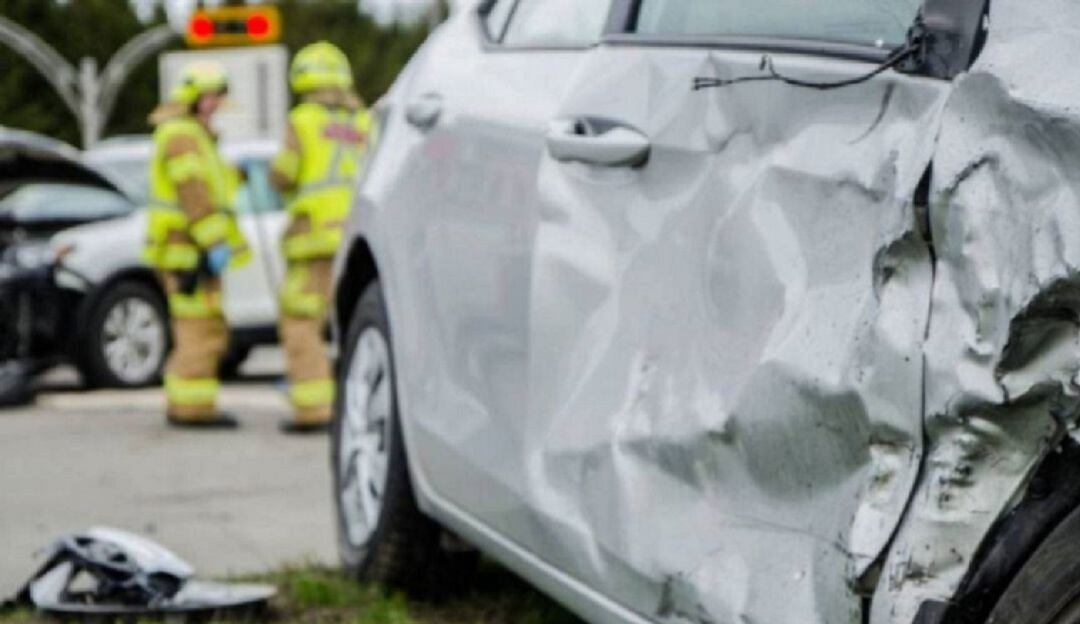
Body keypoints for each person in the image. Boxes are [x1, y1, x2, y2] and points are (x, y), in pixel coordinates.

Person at [272, 41, 372, 433]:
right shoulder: (363, 121)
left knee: (300, 322)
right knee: (351, 325)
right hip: (356, 237)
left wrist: (271, 176)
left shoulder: (303, 120)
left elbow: (285, 173)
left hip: (313, 238)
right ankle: (355, 407)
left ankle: (313, 408)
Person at [144, 61, 250, 428]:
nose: (216, 104)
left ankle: (183, 401)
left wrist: (236, 175)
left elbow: (208, 186)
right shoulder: (183, 135)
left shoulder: (190, 134)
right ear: (196, 99)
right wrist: (214, 243)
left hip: (187, 251)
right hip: (187, 252)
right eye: (212, 97)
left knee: (197, 327)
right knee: (199, 330)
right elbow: (193, 193)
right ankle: (193, 407)